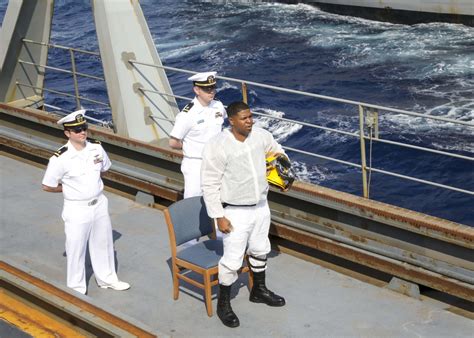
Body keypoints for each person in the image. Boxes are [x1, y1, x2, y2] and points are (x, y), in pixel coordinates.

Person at [201, 101, 287, 328]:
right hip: (235, 212)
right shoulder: (218, 145)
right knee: (231, 261)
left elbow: (277, 151)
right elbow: (209, 184)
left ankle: (258, 290)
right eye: (245, 118)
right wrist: (218, 216)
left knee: (260, 249)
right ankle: (224, 305)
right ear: (231, 120)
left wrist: (280, 164)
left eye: (251, 117)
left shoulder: (260, 136)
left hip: (260, 206)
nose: (250, 121)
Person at [42, 109, 130, 295]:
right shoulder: (60, 158)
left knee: (104, 243)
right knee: (76, 249)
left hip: (98, 203)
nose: (82, 132)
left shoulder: (96, 148)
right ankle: (76, 288)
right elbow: (48, 186)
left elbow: (104, 168)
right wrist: (66, 189)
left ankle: (107, 279)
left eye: (84, 128)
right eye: (77, 130)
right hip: (77, 208)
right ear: (67, 133)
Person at [168, 71, 226, 199]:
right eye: (207, 89)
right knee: (193, 200)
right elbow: (173, 142)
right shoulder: (187, 115)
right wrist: (190, 147)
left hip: (216, 161)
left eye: (213, 88)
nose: (212, 92)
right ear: (197, 90)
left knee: (218, 198)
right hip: (196, 164)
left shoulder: (218, 106)